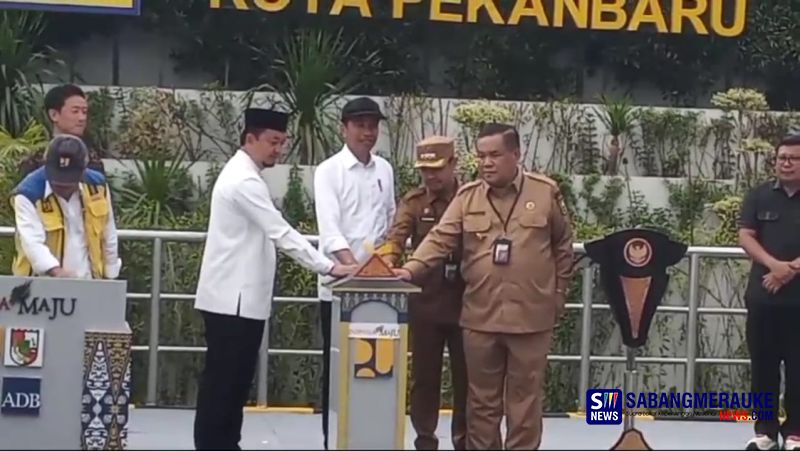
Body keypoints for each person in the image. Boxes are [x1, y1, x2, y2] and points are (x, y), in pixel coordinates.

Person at [393, 123, 575, 450]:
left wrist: (558, 295)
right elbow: (438, 239)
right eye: (481, 156)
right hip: (480, 318)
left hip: (531, 319)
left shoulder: (544, 192)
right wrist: (409, 271)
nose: (486, 163)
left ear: (516, 155)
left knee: (524, 404)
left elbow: (563, 246)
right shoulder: (467, 197)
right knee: (481, 405)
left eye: (495, 155)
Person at [192, 108, 356, 450]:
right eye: (272, 142)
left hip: (238, 297)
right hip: (231, 299)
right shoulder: (244, 181)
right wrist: (327, 267)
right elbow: (281, 232)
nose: (278, 150)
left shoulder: (245, 173)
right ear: (249, 138)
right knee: (225, 382)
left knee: (232, 382)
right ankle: (216, 444)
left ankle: (223, 443)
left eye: (282, 142)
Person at [313, 96, 396, 450]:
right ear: (344, 128)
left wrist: (387, 265)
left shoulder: (385, 170)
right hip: (341, 288)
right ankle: (333, 441)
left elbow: (392, 222)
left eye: (372, 125)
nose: (367, 132)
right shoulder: (328, 170)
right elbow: (330, 232)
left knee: (377, 373)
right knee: (338, 376)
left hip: (380, 290)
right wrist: (356, 273)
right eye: (360, 125)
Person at [376, 135, 468, 450]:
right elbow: (396, 237)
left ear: (453, 165)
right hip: (426, 302)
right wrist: (387, 260)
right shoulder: (414, 202)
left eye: (437, 169)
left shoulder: (471, 198)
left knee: (467, 381)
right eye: (425, 170)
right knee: (424, 380)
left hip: (467, 303)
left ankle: (464, 440)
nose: (430, 176)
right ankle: (425, 439)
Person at [738, 134, 800, 451]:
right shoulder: (759, 196)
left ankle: (795, 434)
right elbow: (746, 235)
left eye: (793, 158)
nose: (786, 163)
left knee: (798, 367)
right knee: (763, 366)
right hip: (763, 298)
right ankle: (765, 432)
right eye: (781, 158)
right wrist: (774, 265)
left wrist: (791, 270)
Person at [11, 134, 121, 279]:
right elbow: (32, 242)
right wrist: (57, 273)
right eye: (57, 181)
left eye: (69, 181)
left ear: (83, 170)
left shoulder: (97, 186)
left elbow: (108, 232)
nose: (63, 187)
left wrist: (111, 275)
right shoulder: (27, 194)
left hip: (90, 281)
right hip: (39, 285)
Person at [21, 84, 104, 176]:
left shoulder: (90, 156)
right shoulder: (38, 157)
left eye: (84, 112)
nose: (82, 118)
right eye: (75, 111)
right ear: (54, 115)